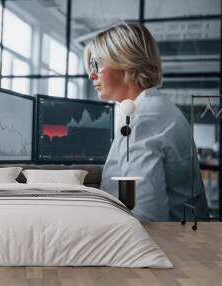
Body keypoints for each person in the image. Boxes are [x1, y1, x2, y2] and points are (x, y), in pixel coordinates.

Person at [84, 21, 209, 221]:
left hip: (165, 245)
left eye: (96, 65)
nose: (91, 75)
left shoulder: (144, 118)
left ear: (124, 61)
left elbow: (145, 217)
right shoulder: (154, 107)